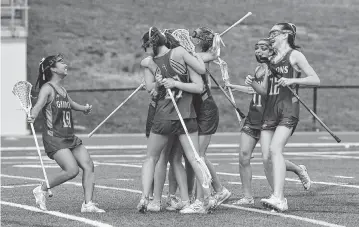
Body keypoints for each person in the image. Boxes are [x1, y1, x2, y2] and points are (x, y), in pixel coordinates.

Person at [137, 27, 216, 213]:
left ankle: (148, 199)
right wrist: (160, 82)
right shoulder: (176, 54)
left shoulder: (151, 61)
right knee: (192, 158)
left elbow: (150, 86)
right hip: (183, 114)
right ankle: (205, 198)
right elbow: (200, 75)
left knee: (154, 157)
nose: (145, 50)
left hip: (169, 115)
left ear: (152, 43)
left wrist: (172, 82)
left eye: (146, 46)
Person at [227, 38, 312, 206]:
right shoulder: (259, 68)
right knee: (244, 156)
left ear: (272, 50)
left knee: (271, 158)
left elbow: (267, 93)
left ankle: (292, 176)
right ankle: (247, 196)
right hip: (253, 117)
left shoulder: (274, 68)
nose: (258, 51)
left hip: (268, 117)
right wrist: (235, 87)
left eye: (263, 48)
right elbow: (256, 91)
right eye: (256, 48)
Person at [246, 23, 320, 212]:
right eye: (270, 32)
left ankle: (280, 197)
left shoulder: (294, 55)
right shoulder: (271, 58)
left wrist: (293, 80)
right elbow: (264, 91)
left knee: (275, 150)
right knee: (265, 158)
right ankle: (280, 189)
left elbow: (315, 79)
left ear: (287, 34)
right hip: (269, 110)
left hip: (288, 109)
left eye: (275, 32)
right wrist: (253, 83)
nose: (271, 35)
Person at [28, 54, 105, 213]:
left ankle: (88, 204)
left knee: (88, 165)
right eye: (61, 62)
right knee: (72, 170)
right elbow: (39, 104)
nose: (65, 65)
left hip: (69, 137)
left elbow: (71, 103)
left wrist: (83, 108)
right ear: (53, 69)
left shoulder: (62, 89)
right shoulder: (47, 88)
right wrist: (33, 115)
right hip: (54, 138)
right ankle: (41, 188)